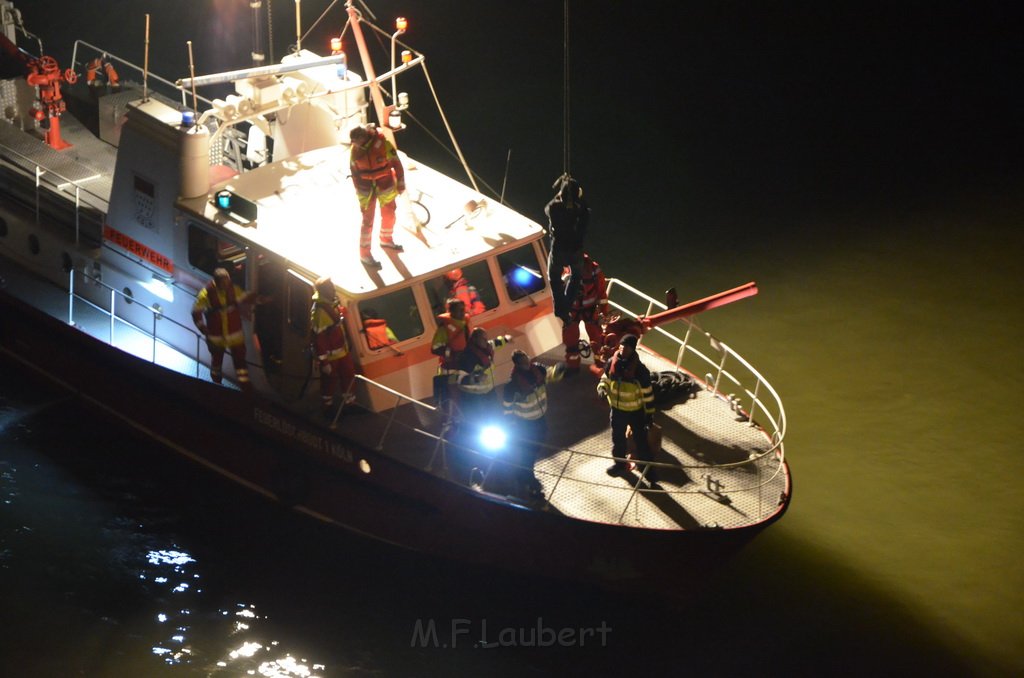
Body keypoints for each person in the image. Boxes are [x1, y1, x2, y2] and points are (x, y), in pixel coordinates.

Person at [502, 350, 565, 499]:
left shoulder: (538, 370)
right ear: (517, 364)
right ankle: (528, 480)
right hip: (525, 424)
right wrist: (511, 424)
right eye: (523, 362)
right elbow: (507, 407)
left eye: (527, 359)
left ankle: (523, 475)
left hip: (539, 418)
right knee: (528, 454)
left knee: (534, 449)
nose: (527, 363)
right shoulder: (512, 386)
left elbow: (551, 374)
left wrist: (560, 368)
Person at [597, 333, 657, 481]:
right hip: (617, 411)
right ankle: (619, 464)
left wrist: (649, 414)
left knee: (641, 441)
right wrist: (602, 388)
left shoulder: (640, 371)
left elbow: (647, 394)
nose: (623, 350)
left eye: (627, 347)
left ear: (633, 350)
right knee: (618, 440)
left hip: (636, 412)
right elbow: (605, 378)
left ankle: (648, 470)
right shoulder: (612, 362)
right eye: (622, 346)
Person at [349, 124, 406, 269]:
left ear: (363, 137)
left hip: (385, 183)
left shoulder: (383, 144)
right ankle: (364, 254)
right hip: (366, 189)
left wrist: (400, 183)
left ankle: (386, 239)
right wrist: (358, 190)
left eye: (356, 141)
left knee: (389, 215)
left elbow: (397, 164)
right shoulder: (355, 150)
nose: (354, 144)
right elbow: (354, 171)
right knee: (367, 222)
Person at [192, 268, 257, 391]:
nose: (227, 284)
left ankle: (245, 388)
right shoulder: (206, 294)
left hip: (235, 336)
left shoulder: (234, 290)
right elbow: (196, 311)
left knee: (241, 365)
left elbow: (245, 297)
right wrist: (203, 328)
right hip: (217, 337)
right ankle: (216, 385)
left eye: (228, 281)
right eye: (224, 282)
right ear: (217, 282)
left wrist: (259, 299)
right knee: (216, 364)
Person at [544, 174, 589, 322]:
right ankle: (566, 306)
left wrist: (560, 191)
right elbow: (584, 213)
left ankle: (560, 309)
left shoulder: (554, 208)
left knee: (554, 278)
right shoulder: (582, 210)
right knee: (576, 277)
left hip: (559, 250)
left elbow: (547, 209)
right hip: (575, 250)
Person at [310, 276, 357, 417]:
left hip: (342, 350)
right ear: (324, 291)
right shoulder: (320, 312)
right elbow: (319, 339)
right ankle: (327, 408)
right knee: (329, 382)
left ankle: (350, 405)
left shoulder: (331, 303)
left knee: (349, 377)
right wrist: (324, 362)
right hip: (331, 355)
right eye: (331, 287)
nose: (334, 289)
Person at [562, 253, 608, 372]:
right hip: (572, 310)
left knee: (596, 339)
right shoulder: (564, 268)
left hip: (590, 310)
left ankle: (600, 365)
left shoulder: (593, 268)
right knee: (570, 341)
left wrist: (604, 313)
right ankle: (573, 367)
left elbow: (602, 292)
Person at [457, 327, 511, 420]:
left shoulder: (486, 347)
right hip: (475, 397)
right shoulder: (467, 356)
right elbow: (460, 379)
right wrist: (476, 378)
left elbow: (495, 343)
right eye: (483, 339)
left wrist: (506, 338)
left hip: (489, 392)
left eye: (486, 339)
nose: (486, 341)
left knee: (496, 418)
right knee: (481, 421)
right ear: (475, 339)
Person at [431, 299, 471, 406]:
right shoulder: (444, 329)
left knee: (467, 395)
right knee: (454, 398)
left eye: (463, 310)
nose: (462, 313)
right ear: (451, 312)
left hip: (464, 366)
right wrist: (452, 354)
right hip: (450, 369)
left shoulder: (464, 324)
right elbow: (435, 348)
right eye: (459, 310)